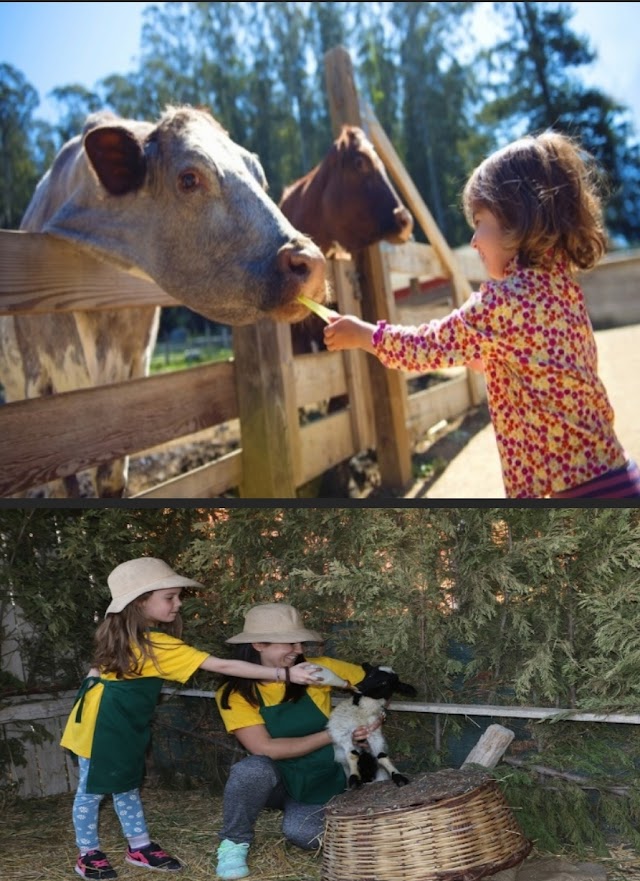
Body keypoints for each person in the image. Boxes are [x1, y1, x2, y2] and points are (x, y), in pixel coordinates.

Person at [323, 130, 640, 499]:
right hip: (615, 476)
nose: (473, 240)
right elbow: (539, 366)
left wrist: (364, 335)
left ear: (517, 217)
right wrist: (489, 361)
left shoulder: (504, 303)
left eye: (478, 222)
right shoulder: (561, 288)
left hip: (573, 495)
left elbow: (426, 346)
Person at [60, 558, 323, 880]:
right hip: (101, 729)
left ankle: (139, 845)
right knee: (90, 792)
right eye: (169, 597)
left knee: (127, 786)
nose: (178, 603)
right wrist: (284, 673)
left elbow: (94, 670)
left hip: (122, 725)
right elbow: (224, 666)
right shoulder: (155, 645)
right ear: (140, 603)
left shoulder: (127, 637)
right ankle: (87, 854)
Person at [214, 603, 383, 881]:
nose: (297, 649)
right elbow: (264, 749)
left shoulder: (320, 670)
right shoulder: (235, 693)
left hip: (321, 775)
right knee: (251, 769)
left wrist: (373, 714)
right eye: (288, 643)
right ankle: (234, 842)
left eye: (299, 642)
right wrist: (336, 733)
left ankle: (314, 812)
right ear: (258, 644)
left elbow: (378, 684)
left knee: (306, 835)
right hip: (276, 780)